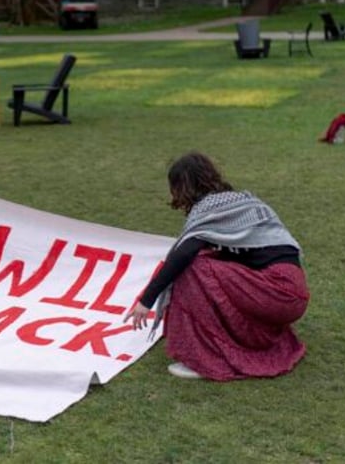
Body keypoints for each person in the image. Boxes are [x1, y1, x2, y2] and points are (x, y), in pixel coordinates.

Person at [124, 152, 309, 381]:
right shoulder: (241, 202)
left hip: (277, 291)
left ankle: (204, 358)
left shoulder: (211, 209)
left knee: (194, 266)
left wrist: (146, 300)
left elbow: (184, 253)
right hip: (293, 293)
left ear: (183, 186)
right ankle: (232, 343)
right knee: (206, 258)